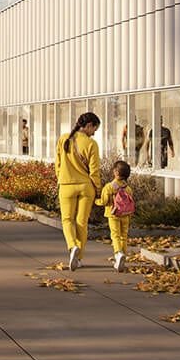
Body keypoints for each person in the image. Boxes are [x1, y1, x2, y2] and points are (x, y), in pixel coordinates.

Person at [53, 112, 102, 271]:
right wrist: (98, 189)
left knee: (67, 220)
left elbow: (58, 163)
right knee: (82, 222)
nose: (94, 132)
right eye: (94, 128)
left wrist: (61, 178)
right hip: (86, 187)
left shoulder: (64, 139)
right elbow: (94, 171)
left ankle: (72, 246)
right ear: (88, 125)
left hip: (66, 185)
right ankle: (79, 258)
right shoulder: (91, 144)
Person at [101, 160, 134, 272]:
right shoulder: (128, 189)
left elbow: (104, 201)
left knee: (115, 235)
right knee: (123, 235)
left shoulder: (109, 187)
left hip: (113, 214)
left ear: (116, 172)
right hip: (125, 215)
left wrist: (96, 201)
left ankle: (118, 253)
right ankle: (123, 256)